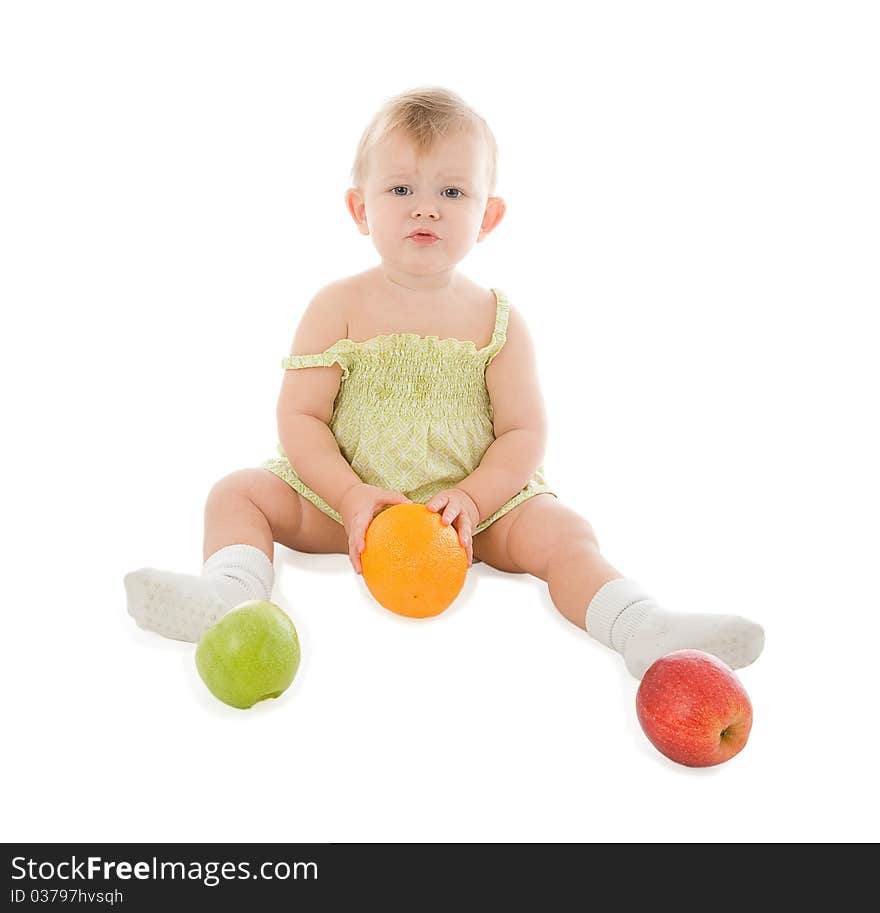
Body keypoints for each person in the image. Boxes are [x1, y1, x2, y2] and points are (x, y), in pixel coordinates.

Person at [124, 86, 764, 679]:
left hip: (473, 515)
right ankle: (228, 598)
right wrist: (348, 495)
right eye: (400, 189)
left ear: (488, 216)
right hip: (346, 502)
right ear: (359, 207)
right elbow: (301, 419)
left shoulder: (497, 319)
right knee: (238, 493)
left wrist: (477, 498)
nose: (426, 207)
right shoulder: (336, 305)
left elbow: (522, 431)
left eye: (453, 193)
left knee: (565, 531)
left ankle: (641, 627)